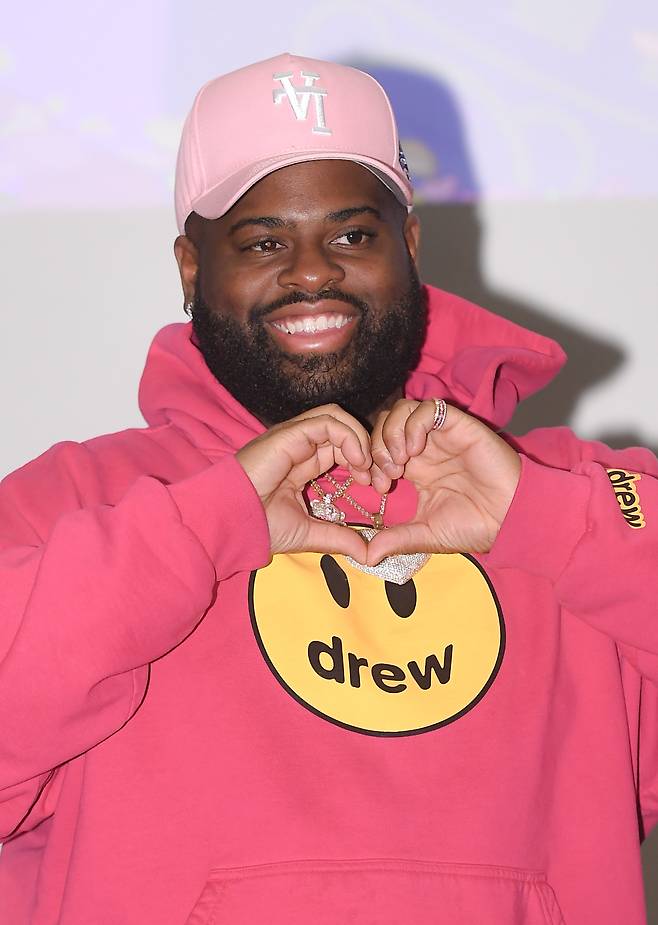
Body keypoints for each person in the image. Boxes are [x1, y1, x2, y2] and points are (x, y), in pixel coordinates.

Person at [0, 51, 657, 925]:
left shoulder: (570, 490)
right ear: (192, 266)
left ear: (410, 245)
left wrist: (551, 520)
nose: (313, 274)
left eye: (352, 235)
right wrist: (196, 532)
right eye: (263, 241)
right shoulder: (73, 502)